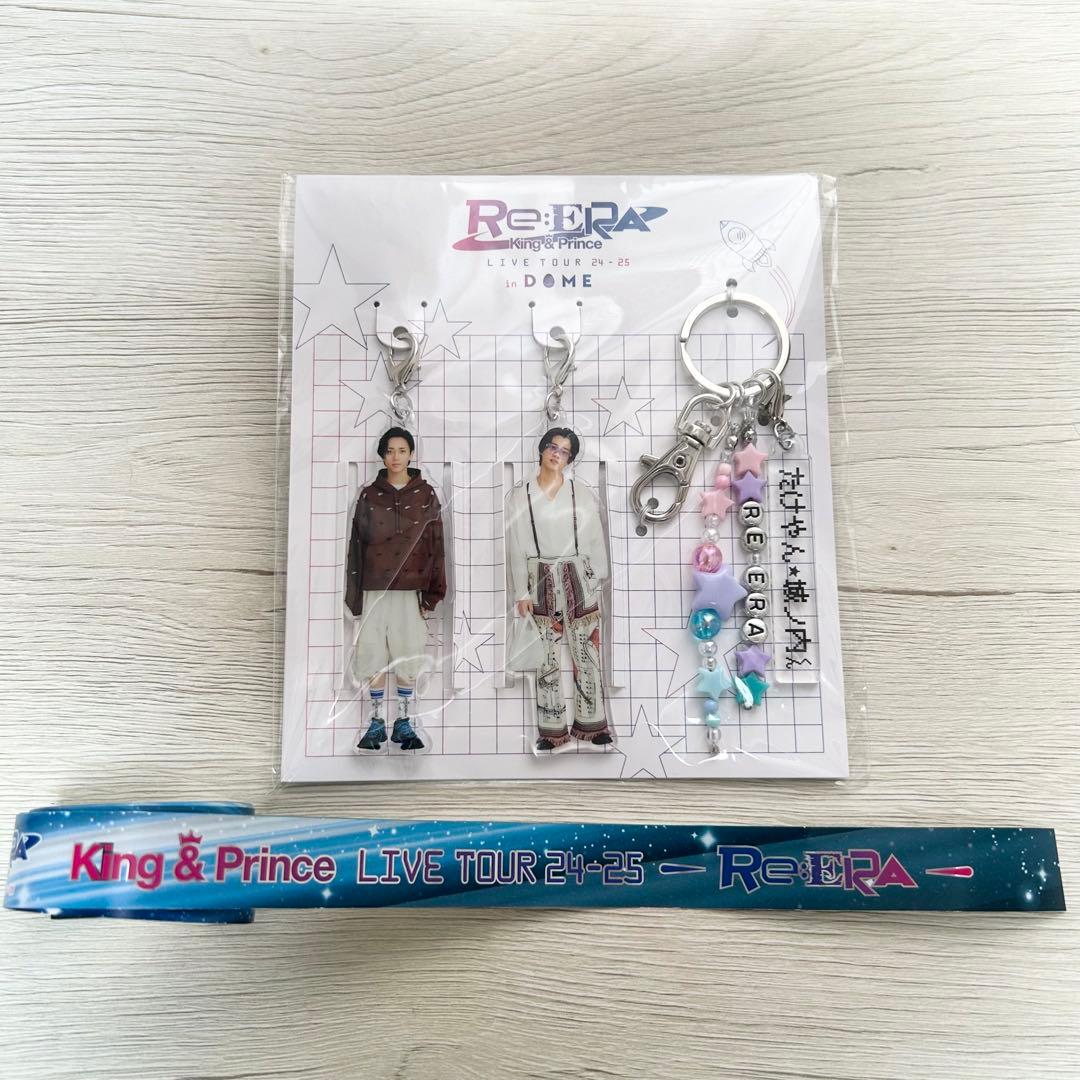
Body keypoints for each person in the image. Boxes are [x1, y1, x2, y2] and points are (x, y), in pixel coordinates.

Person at [506, 428, 612, 750]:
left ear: (570, 459)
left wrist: (596, 577)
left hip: (579, 575)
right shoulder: (521, 495)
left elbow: (594, 536)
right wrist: (521, 592)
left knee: (587, 652)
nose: (556, 454)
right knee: (546, 658)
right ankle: (551, 731)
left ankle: (593, 725)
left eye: (564, 451)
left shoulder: (581, 493)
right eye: (552, 447)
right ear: (542, 449)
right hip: (539, 576)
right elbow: (516, 545)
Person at [346, 427, 446, 752]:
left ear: (411, 454)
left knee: (408, 651)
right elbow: (356, 546)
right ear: (382, 455)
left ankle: (404, 723)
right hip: (374, 587)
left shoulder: (426, 494)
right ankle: (375, 723)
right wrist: (354, 596)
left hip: (411, 590)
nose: (396, 457)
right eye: (389, 451)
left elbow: (436, 545)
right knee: (372, 650)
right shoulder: (368, 495)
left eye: (402, 450)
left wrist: (432, 593)